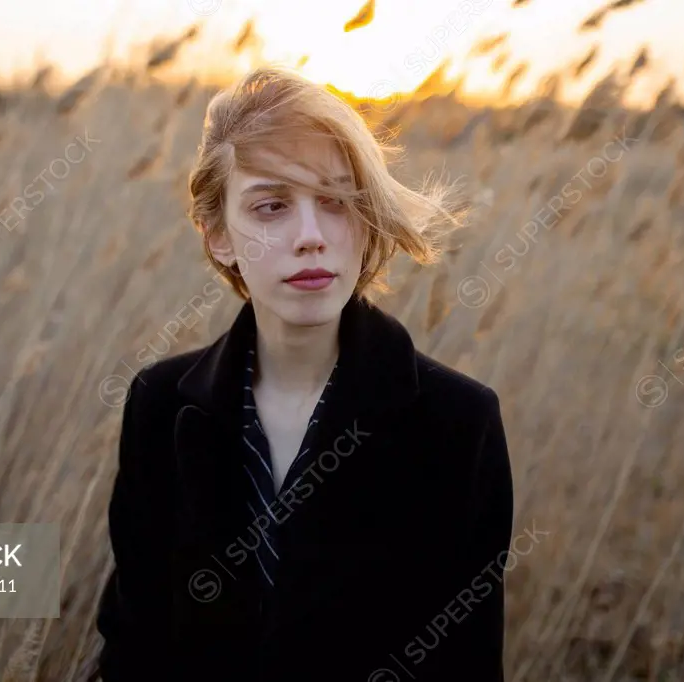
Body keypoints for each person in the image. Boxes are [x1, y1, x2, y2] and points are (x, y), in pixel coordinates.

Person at [96, 65, 514, 682]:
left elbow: (466, 666)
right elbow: (133, 648)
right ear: (217, 236)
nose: (311, 237)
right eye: (270, 207)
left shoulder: (457, 423)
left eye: (337, 203)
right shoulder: (160, 404)